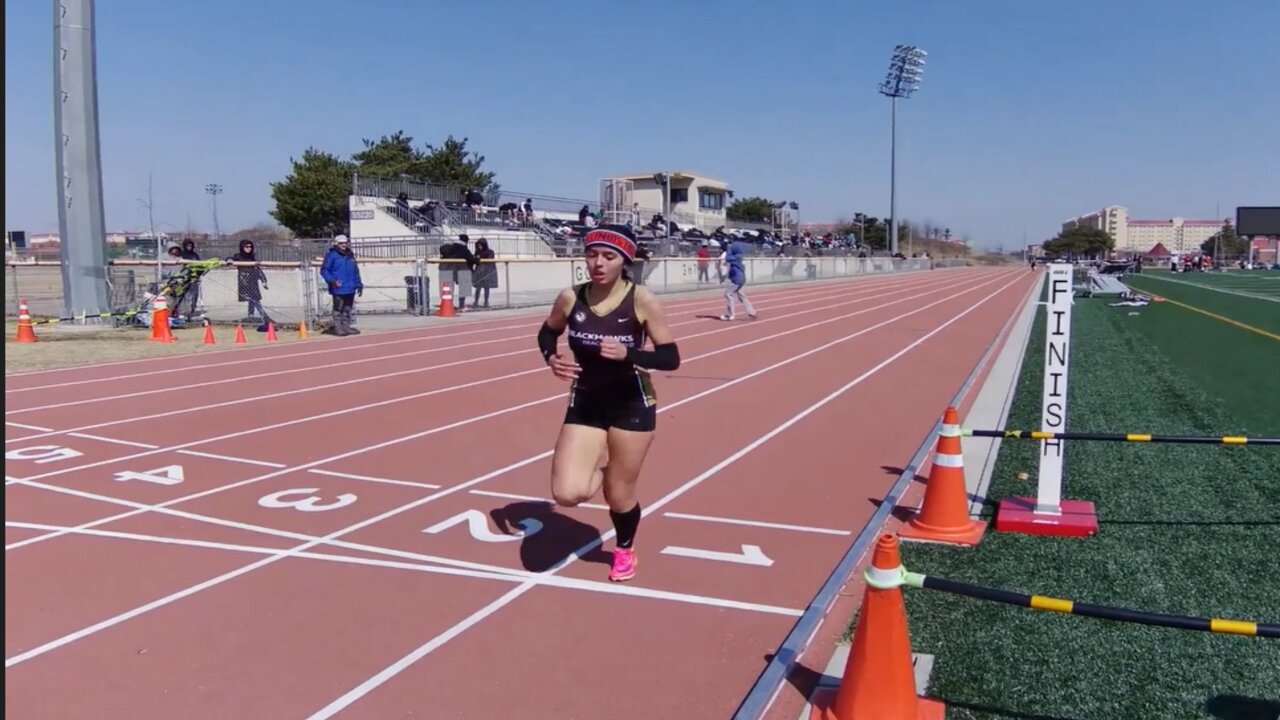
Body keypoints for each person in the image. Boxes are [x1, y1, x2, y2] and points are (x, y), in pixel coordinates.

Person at [536, 225, 681, 582]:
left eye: (608, 256)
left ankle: (624, 549)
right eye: (592, 254)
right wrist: (551, 357)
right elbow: (547, 331)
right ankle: (605, 471)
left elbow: (670, 357)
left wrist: (629, 353)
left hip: (631, 403)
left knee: (619, 496)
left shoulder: (640, 299)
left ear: (624, 261)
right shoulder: (571, 297)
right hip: (586, 401)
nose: (598, 263)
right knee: (567, 493)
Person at [320, 234, 363, 335]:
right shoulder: (331, 255)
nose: (344, 245)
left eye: (345, 243)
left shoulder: (350, 255)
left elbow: (355, 271)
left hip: (350, 287)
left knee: (348, 308)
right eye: (341, 243)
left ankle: (346, 327)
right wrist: (333, 281)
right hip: (338, 288)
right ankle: (338, 328)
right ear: (336, 244)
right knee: (338, 309)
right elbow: (324, 270)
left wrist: (359, 284)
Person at [720, 237, 757, 321]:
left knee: (728, 294)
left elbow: (727, 258)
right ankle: (751, 312)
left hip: (737, 279)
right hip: (741, 278)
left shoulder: (736, 257)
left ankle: (730, 314)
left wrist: (729, 248)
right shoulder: (739, 256)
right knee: (741, 295)